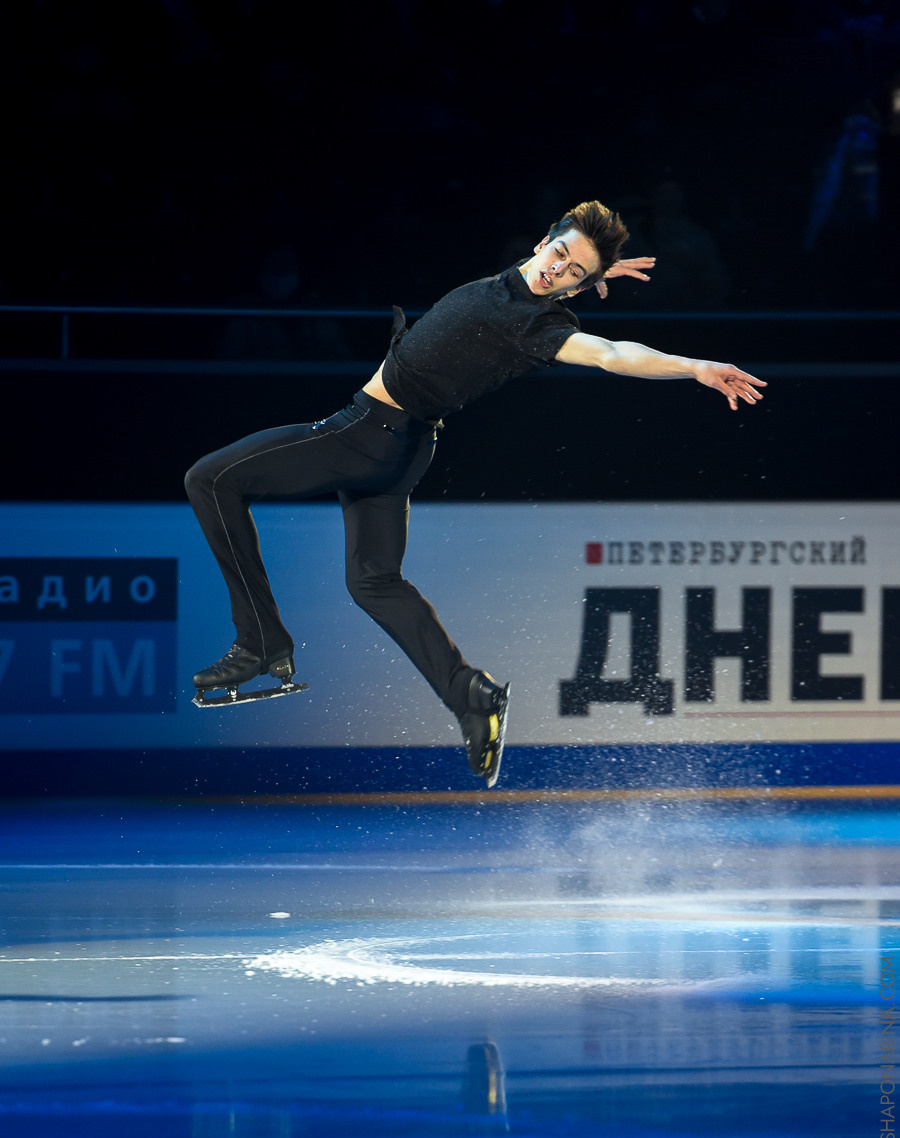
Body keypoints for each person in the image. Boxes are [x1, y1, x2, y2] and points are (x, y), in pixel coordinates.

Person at [184, 201, 765, 788]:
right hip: (405, 451)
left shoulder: (538, 326)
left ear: (577, 291)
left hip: (364, 435)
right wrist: (594, 269)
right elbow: (543, 268)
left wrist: (692, 366)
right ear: (543, 241)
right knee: (374, 582)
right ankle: (471, 696)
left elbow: (611, 354)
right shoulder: (528, 278)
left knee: (208, 480)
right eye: (558, 255)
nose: (553, 272)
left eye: (570, 275)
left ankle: (259, 641)